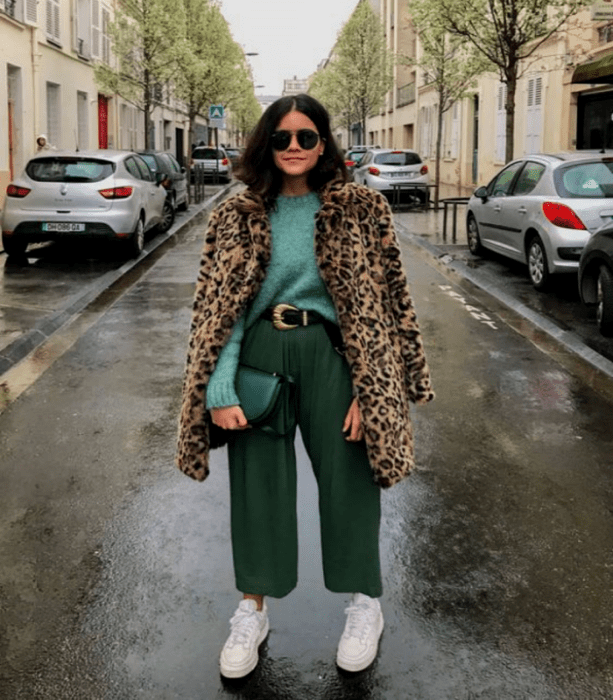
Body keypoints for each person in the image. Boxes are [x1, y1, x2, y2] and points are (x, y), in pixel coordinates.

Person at [176, 94, 434, 679]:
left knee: (349, 479)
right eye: (282, 137)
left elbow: (389, 304)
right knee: (257, 486)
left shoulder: (364, 210)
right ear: (265, 144)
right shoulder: (235, 215)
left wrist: (374, 391)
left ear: (325, 145)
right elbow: (217, 312)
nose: (294, 147)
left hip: (334, 355)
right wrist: (220, 386)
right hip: (258, 354)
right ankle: (252, 609)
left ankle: (364, 604)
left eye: (307, 137)